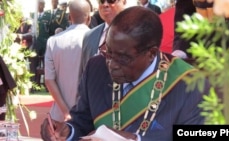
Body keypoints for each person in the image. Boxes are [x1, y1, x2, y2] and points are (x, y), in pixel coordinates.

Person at [41, 6, 205, 141]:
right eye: (108, 52)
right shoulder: (96, 68)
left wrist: (136, 139)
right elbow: (82, 121)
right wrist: (67, 132)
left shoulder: (189, 85)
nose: (112, 64)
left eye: (123, 58)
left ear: (151, 54)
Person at [44, 0, 91, 122]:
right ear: (89, 18)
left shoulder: (53, 41)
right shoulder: (94, 40)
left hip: (59, 115)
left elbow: (49, 80)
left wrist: (65, 112)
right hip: (87, 115)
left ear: (69, 17)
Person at [80, 0, 129, 75]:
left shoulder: (137, 33)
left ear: (124, 2)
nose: (105, 5)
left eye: (111, 1)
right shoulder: (89, 36)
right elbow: (84, 75)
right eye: (101, 1)